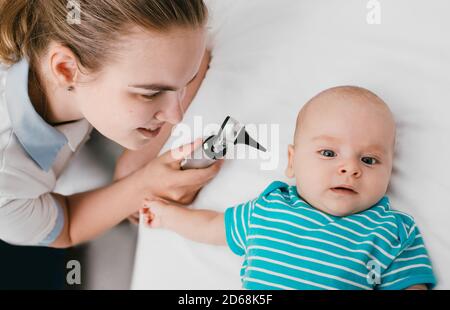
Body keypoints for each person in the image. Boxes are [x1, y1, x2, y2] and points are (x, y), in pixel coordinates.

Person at [143, 86, 437, 290]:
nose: (350, 168)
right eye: (328, 153)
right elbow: (213, 226)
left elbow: (411, 283)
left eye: (369, 159)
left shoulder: (392, 230)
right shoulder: (270, 208)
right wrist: (167, 216)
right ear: (292, 163)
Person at [0, 0, 222, 248]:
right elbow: (68, 226)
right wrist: (142, 184)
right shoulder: (6, 188)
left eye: (183, 85)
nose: (175, 117)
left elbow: (194, 59)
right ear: (65, 69)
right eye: (150, 94)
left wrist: (137, 158)